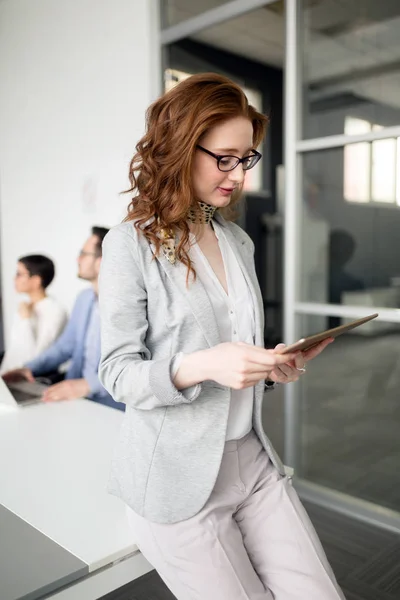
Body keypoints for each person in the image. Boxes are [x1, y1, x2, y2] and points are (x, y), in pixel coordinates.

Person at [98, 74, 344, 599]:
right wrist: (205, 364)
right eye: (224, 158)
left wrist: (271, 365)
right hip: (176, 477)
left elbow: (236, 345)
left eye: (246, 159)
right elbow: (117, 372)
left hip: (252, 459)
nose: (238, 175)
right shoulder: (129, 244)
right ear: (183, 149)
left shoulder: (237, 240)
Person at [3, 227, 124, 411]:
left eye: (83, 254)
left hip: (112, 404)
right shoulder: (84, 298)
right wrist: (30, 369)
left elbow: (132, 364)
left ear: (101, 261)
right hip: (76, 399)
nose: (78, 259)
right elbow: (65, 347)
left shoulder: (127, 304)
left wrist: (87, 385)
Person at [0, 254, 67, 374]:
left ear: (36, 280)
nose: (14, 279)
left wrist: (26, 319)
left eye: (19, 274)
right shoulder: (25, 306)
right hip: (8, 374)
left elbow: (35, 357)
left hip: (28, 378)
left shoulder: (55, 311)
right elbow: (14, 351)